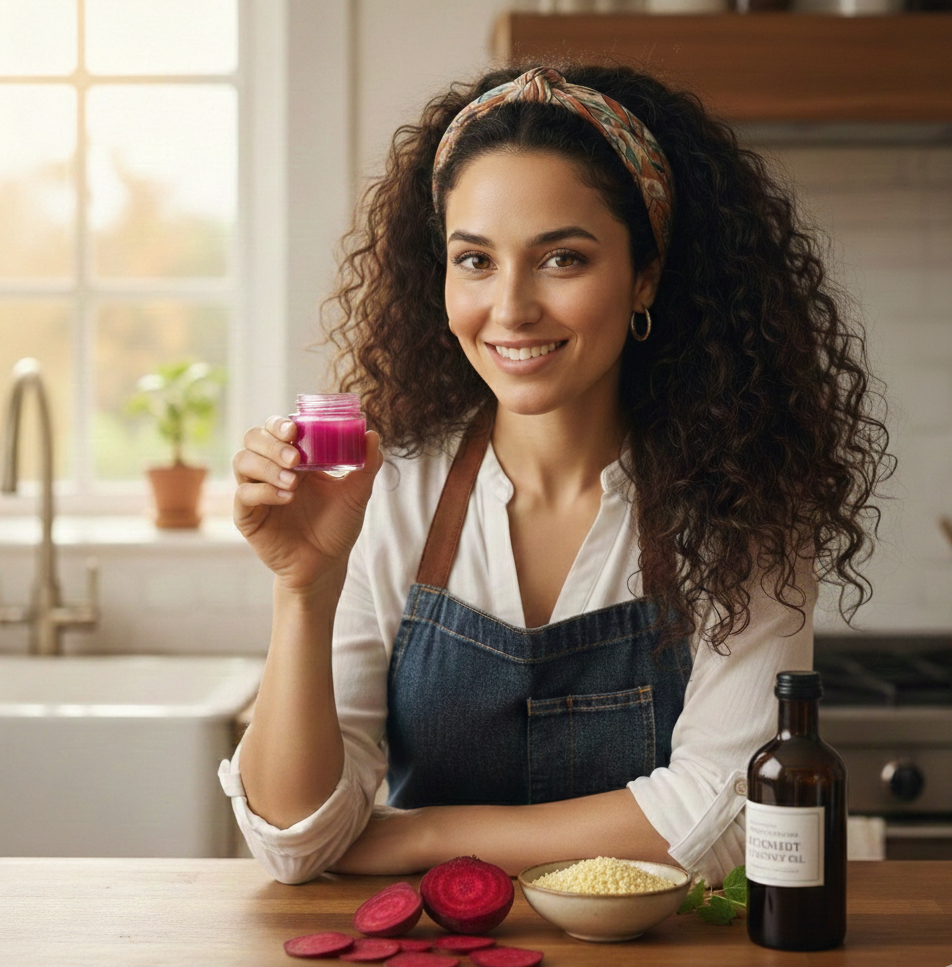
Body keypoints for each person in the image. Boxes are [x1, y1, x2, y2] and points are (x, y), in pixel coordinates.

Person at [220, 65, 891, 886]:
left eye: (562, 258)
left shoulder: (742, 502)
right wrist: (304, 587)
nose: (510, 308)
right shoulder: (386, 490)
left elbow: (725, 816)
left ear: (645, 275)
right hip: (433, 943)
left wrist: (423, 834)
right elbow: (295, 838)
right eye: (475, 259)